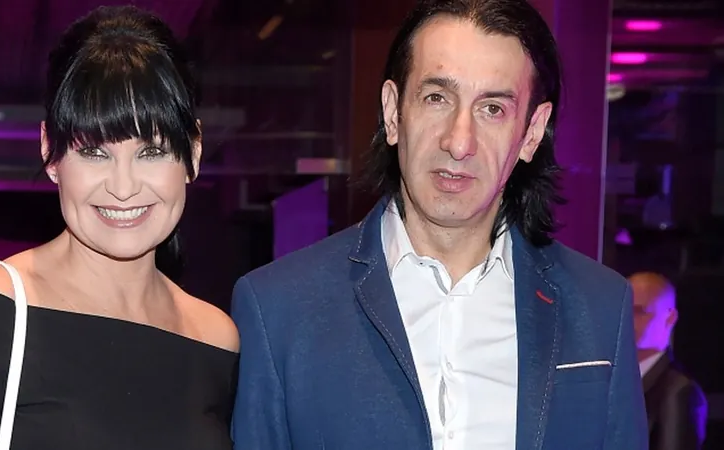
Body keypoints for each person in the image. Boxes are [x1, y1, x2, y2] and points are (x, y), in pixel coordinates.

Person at [230, 0, 647, 449]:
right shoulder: (280, 309)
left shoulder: (599, 307)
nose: (459, 142)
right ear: (393, 112)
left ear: (531, 133)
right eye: (437, 98)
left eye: (492, 109)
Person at [0, 6, 239, 450]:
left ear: (193, 153)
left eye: (151, 152)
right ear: (50, 153)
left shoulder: (215, 336)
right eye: (93, 152)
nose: (123, 188)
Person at [629, 272, 707, 450]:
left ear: (670, 317)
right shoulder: (609, 378)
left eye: (640, 312)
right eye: (623, 312)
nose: (628, 321)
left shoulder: (678, 390)